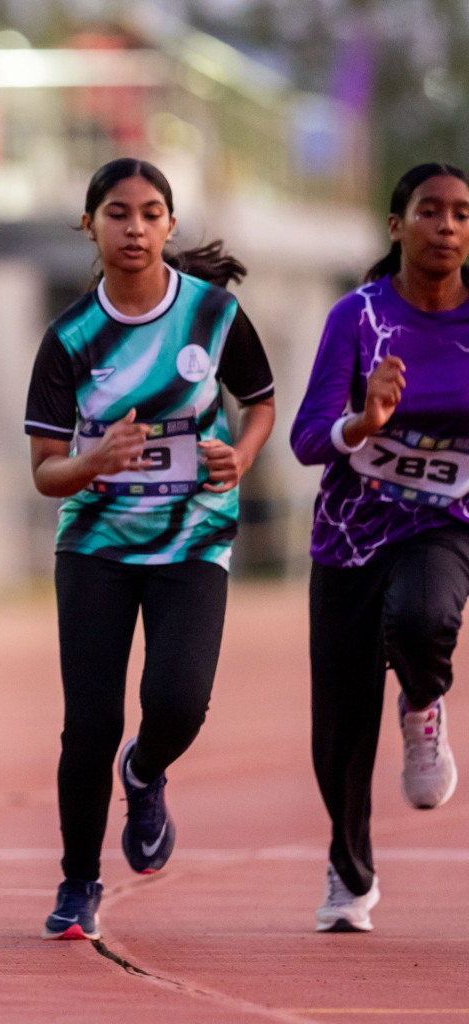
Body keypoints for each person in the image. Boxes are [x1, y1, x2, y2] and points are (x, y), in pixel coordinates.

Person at [23, 158, 275, 940]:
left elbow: (260, 402)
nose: (134, 229)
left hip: (193, 538)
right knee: (88, 723)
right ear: (90, 226)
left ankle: (146, 768)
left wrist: (245, 454)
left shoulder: (213, 315)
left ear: (170, 224)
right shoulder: (69, 338)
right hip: (96, 546)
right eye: (117, 214)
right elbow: (44, 473)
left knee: (177, 702)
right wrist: (91, 463)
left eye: (150, 213)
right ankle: (77, 882)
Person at [291, 163, 469, 933]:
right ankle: (348, 871)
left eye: (462, 214)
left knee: (425, 616)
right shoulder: (358, 319)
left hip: (443, 523)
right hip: (349, 533)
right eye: (431, 212)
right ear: (397, 226)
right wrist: (363, 424)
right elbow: (305, 439)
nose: (449, 227)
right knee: (339, 722)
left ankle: (424, 703)